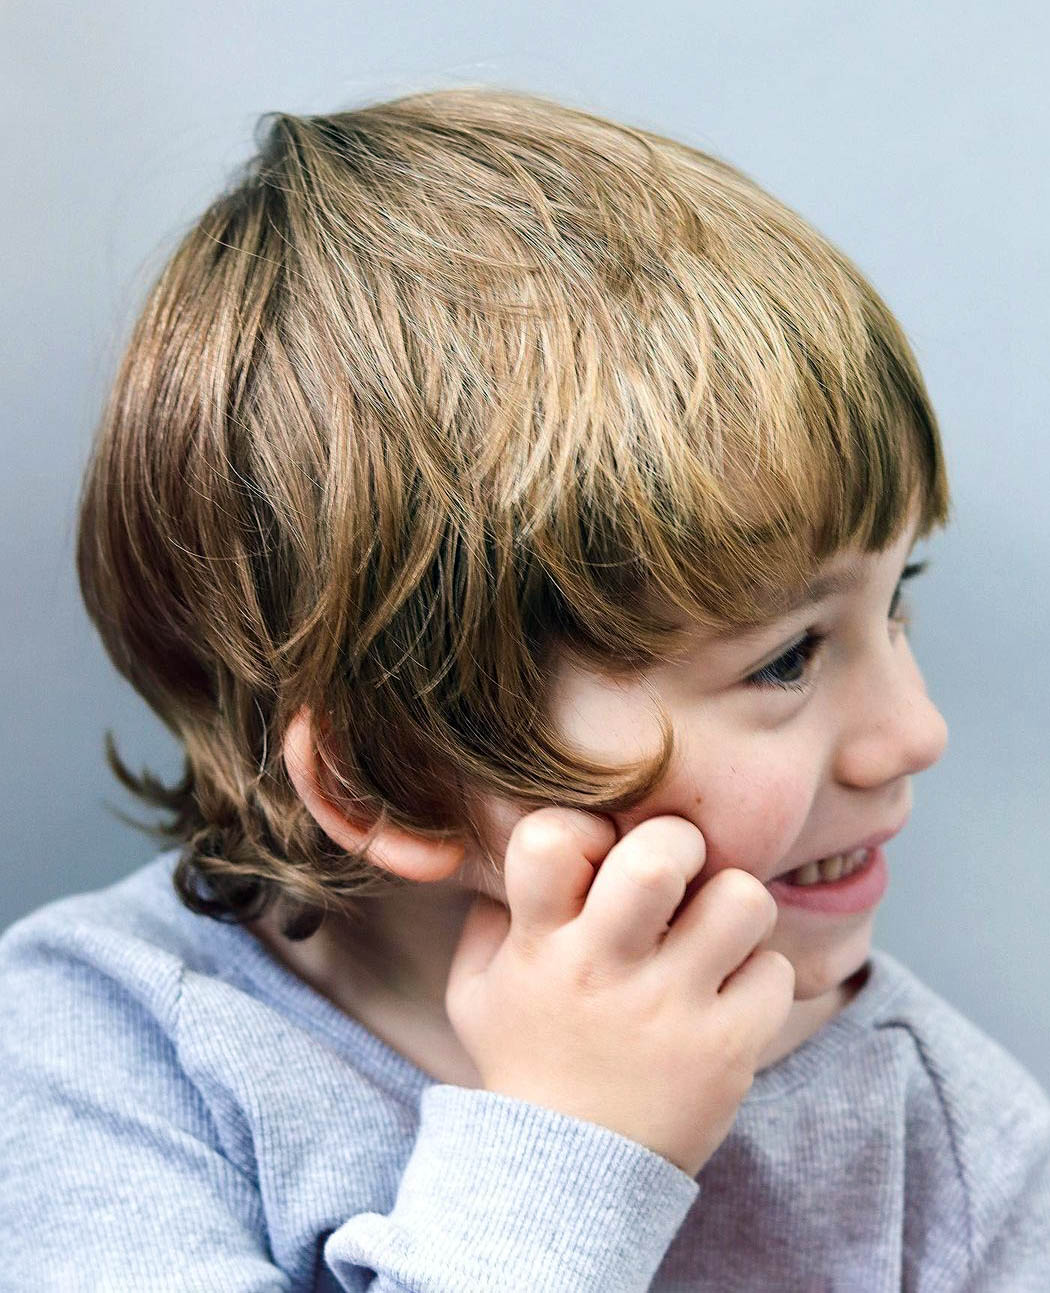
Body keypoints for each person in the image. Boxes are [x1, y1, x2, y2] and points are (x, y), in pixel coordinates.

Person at [1, 87, 1047, 1291]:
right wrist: (572, 1152)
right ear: (396, 778)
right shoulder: (110, 1050)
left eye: (893, 597)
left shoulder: (937, 1133)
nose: (913, 734)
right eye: (787, 657)